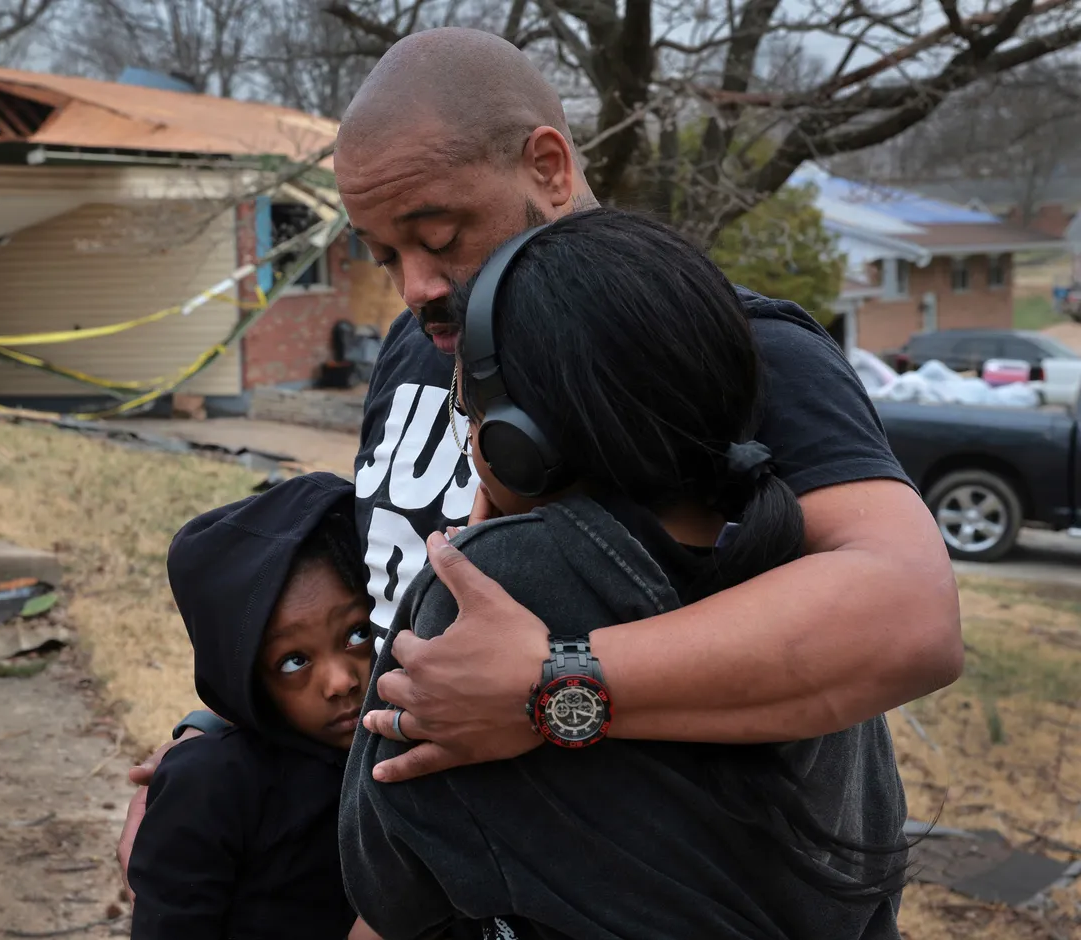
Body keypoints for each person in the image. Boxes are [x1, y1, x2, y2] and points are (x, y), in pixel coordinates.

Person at [120, 26, 960, 883]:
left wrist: (554, 688)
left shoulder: (729, 348)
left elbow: (909, 615)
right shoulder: (425, 345)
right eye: (384, 256)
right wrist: (227, 730)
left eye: (439, 235)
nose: (415, 287)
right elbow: (389, 579)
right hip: (426, 887)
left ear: (550, 168)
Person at [342, 209, 908, 940]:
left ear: (520, 441)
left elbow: (384, 874)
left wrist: (475, 567)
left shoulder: (493, 579)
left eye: (466, 411)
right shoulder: (807, 576)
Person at [127, 472, 377, 940]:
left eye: (357, 633)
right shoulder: (212, 785)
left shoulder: (405, 753)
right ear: (244, 679)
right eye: (293, 661)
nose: (341, 681)